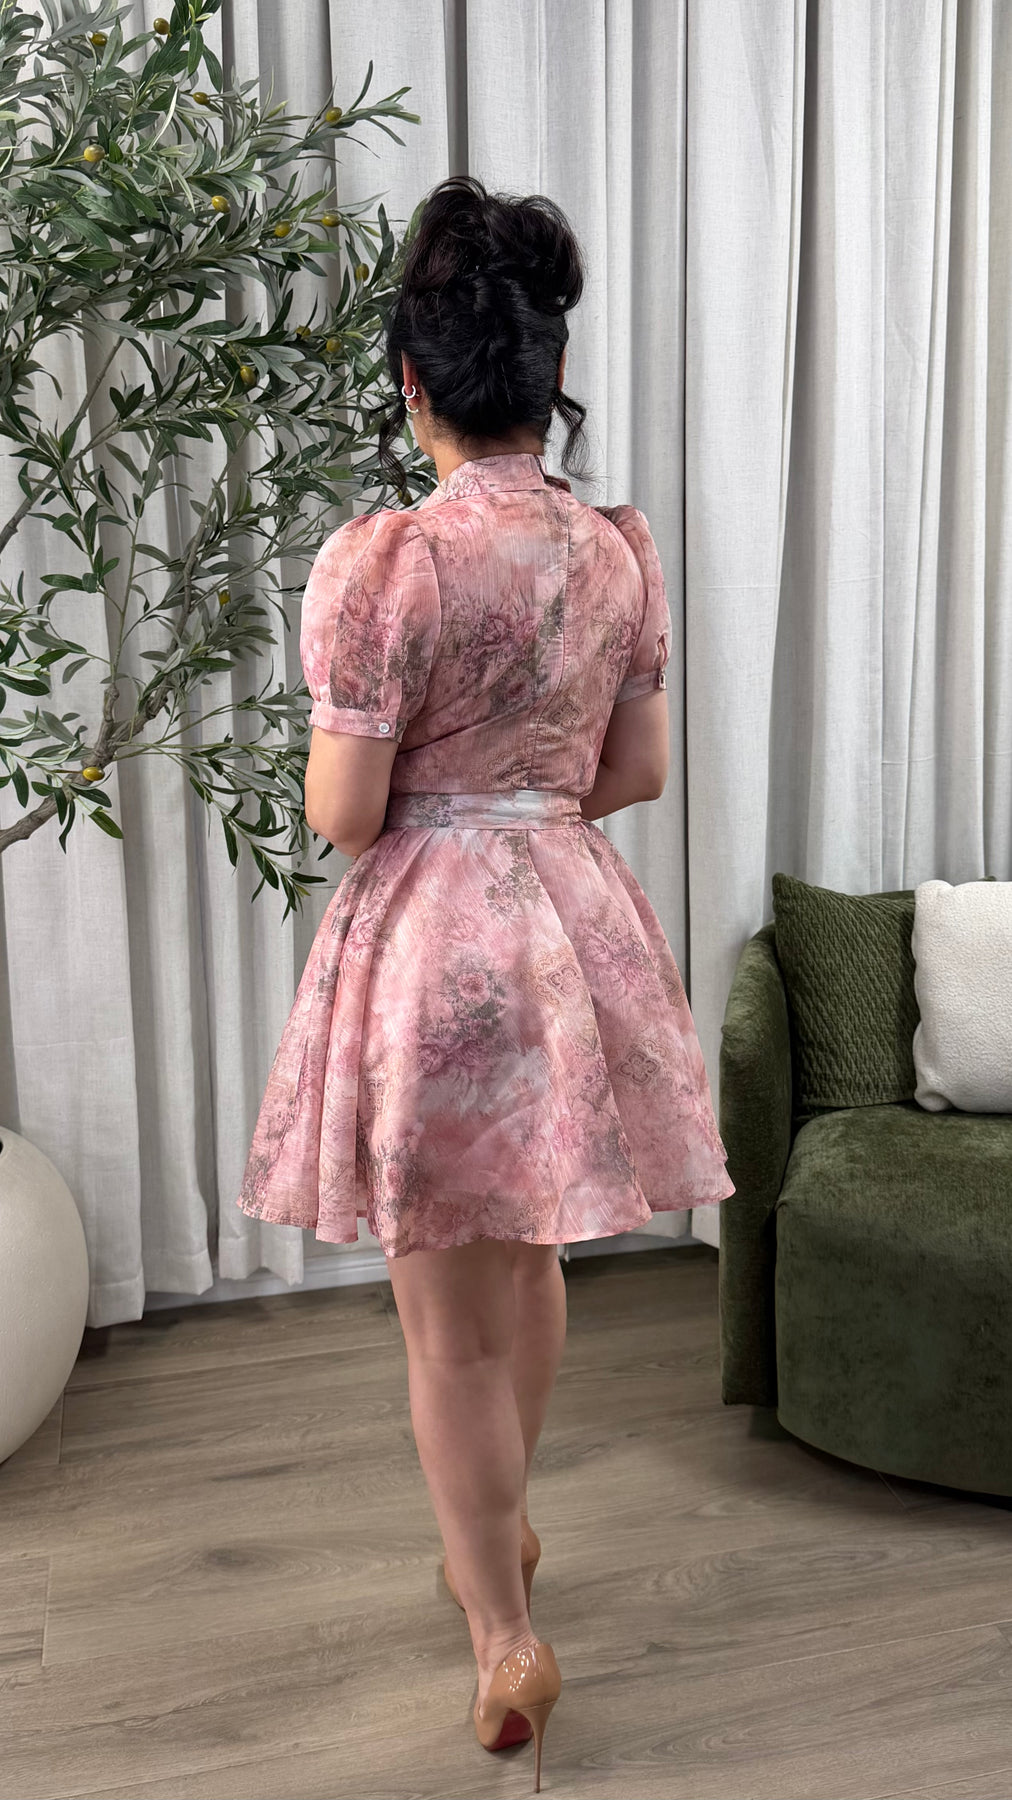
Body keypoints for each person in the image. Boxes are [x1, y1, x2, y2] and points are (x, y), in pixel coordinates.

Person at [236, 174, 735, 1793]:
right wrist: (527, 800)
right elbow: (636, 770)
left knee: (443, 1321)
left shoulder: (383, 562)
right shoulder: (615, 552)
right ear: (548, 373)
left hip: (435, 941)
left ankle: (505, 1632)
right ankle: (500, 1527)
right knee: (528, 1267)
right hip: (572, 923)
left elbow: (344, 810)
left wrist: (436, 794)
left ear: (414, 381)